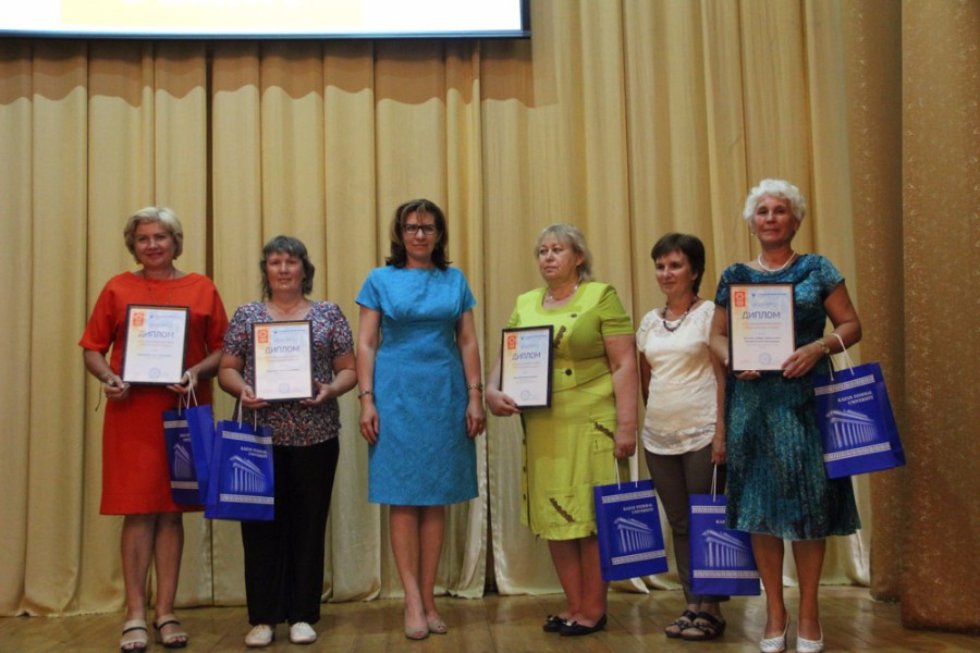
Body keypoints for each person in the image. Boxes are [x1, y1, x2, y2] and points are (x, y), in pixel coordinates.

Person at [710, 179, 862, 653]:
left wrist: (817, 348)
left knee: (809, 508)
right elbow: (715, 336)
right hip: (751, 405)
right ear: (751, 223)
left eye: (780, 210)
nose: (771, 218)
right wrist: (734, 356)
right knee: (759, 510)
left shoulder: (817, 268)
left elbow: (851, 325)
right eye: (762, 211)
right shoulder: (735, 275)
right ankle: (776, 610)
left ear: (795, 220)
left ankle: (810, 610)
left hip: (804, 405)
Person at [80, 207, 228, 652]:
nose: (152, 245)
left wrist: (195, 371)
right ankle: (134, 614)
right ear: (133, 245)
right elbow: (92, 348)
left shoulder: (202, 287)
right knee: (139, 510)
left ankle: (166, 611)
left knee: (172, 510)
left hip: (184, 408)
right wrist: (109, 377)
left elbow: (222, 351)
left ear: (176, 242)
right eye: (143, 238)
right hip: (133, 414)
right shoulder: (117, 288)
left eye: (161, 237)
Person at [486, 224, 637, 637]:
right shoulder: (526, 302)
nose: (548, 257)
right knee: (556, 517)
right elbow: (508, 355)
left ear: (579, 257)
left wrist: (627, 424)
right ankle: (574, 604)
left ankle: (594, 609)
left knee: (591, 517)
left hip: (593, 421)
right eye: (542, 251)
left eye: (557, 249)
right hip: (544, 424)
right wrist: (491, 390)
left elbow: (624, 363)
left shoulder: (601, 296)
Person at [218, 235, 357, 648]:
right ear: (266, 270)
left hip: (316, 437)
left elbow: (349, 369)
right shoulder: (247, 315)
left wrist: (330, 390)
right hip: (258, 439)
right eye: (275, 262)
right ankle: (263, 618)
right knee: (259, 529)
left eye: (291, 262)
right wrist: (241, 389)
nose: (283, 269)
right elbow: (227, 368)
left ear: (304, 269)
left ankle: (302, 615)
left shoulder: (329, 314)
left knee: (308, 526)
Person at [355, 199, 484, 641]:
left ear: (439, 234)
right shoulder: (379, 279)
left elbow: (467, 341)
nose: (419, 235)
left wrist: (475, 396)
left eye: (428, 228)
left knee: (436, 497)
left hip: (444, 394)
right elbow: (366, 343)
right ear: (400, 233)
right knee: (403, 497)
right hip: (395, 394)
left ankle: (429, 598)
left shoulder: (455, 279)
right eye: (411, 227)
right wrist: (367, 400)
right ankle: (411, 599)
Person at [636, 233, 728, 641]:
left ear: (695, 271)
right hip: (659, 439)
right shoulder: (649, 322)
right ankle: (692, 604)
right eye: (660, 266)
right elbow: (647, 381)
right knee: (679, 523)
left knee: (707, 520)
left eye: (675, 265)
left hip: (703, 433)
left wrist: (722, 432)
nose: (666, 273)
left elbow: (724, 377)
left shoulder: (710, 314)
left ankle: (712, 610)